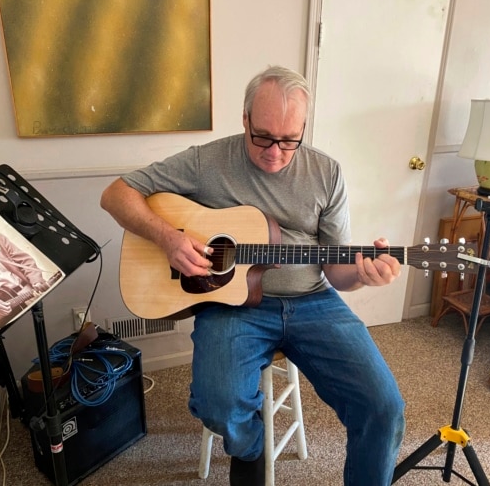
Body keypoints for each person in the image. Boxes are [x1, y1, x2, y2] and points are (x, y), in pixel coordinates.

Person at [101, 65, 405, 485]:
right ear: (244, 118)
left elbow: (338, 274)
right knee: (218, 405)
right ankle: (250, 448)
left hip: (313, 301)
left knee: (383, 406)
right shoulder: (206, 161)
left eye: (289, 140)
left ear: (303, 127)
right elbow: (115, 194)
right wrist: (168, 238)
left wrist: (363, 276)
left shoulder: (327, 173)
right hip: (234, 306)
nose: (274, 152)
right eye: (262, 136)